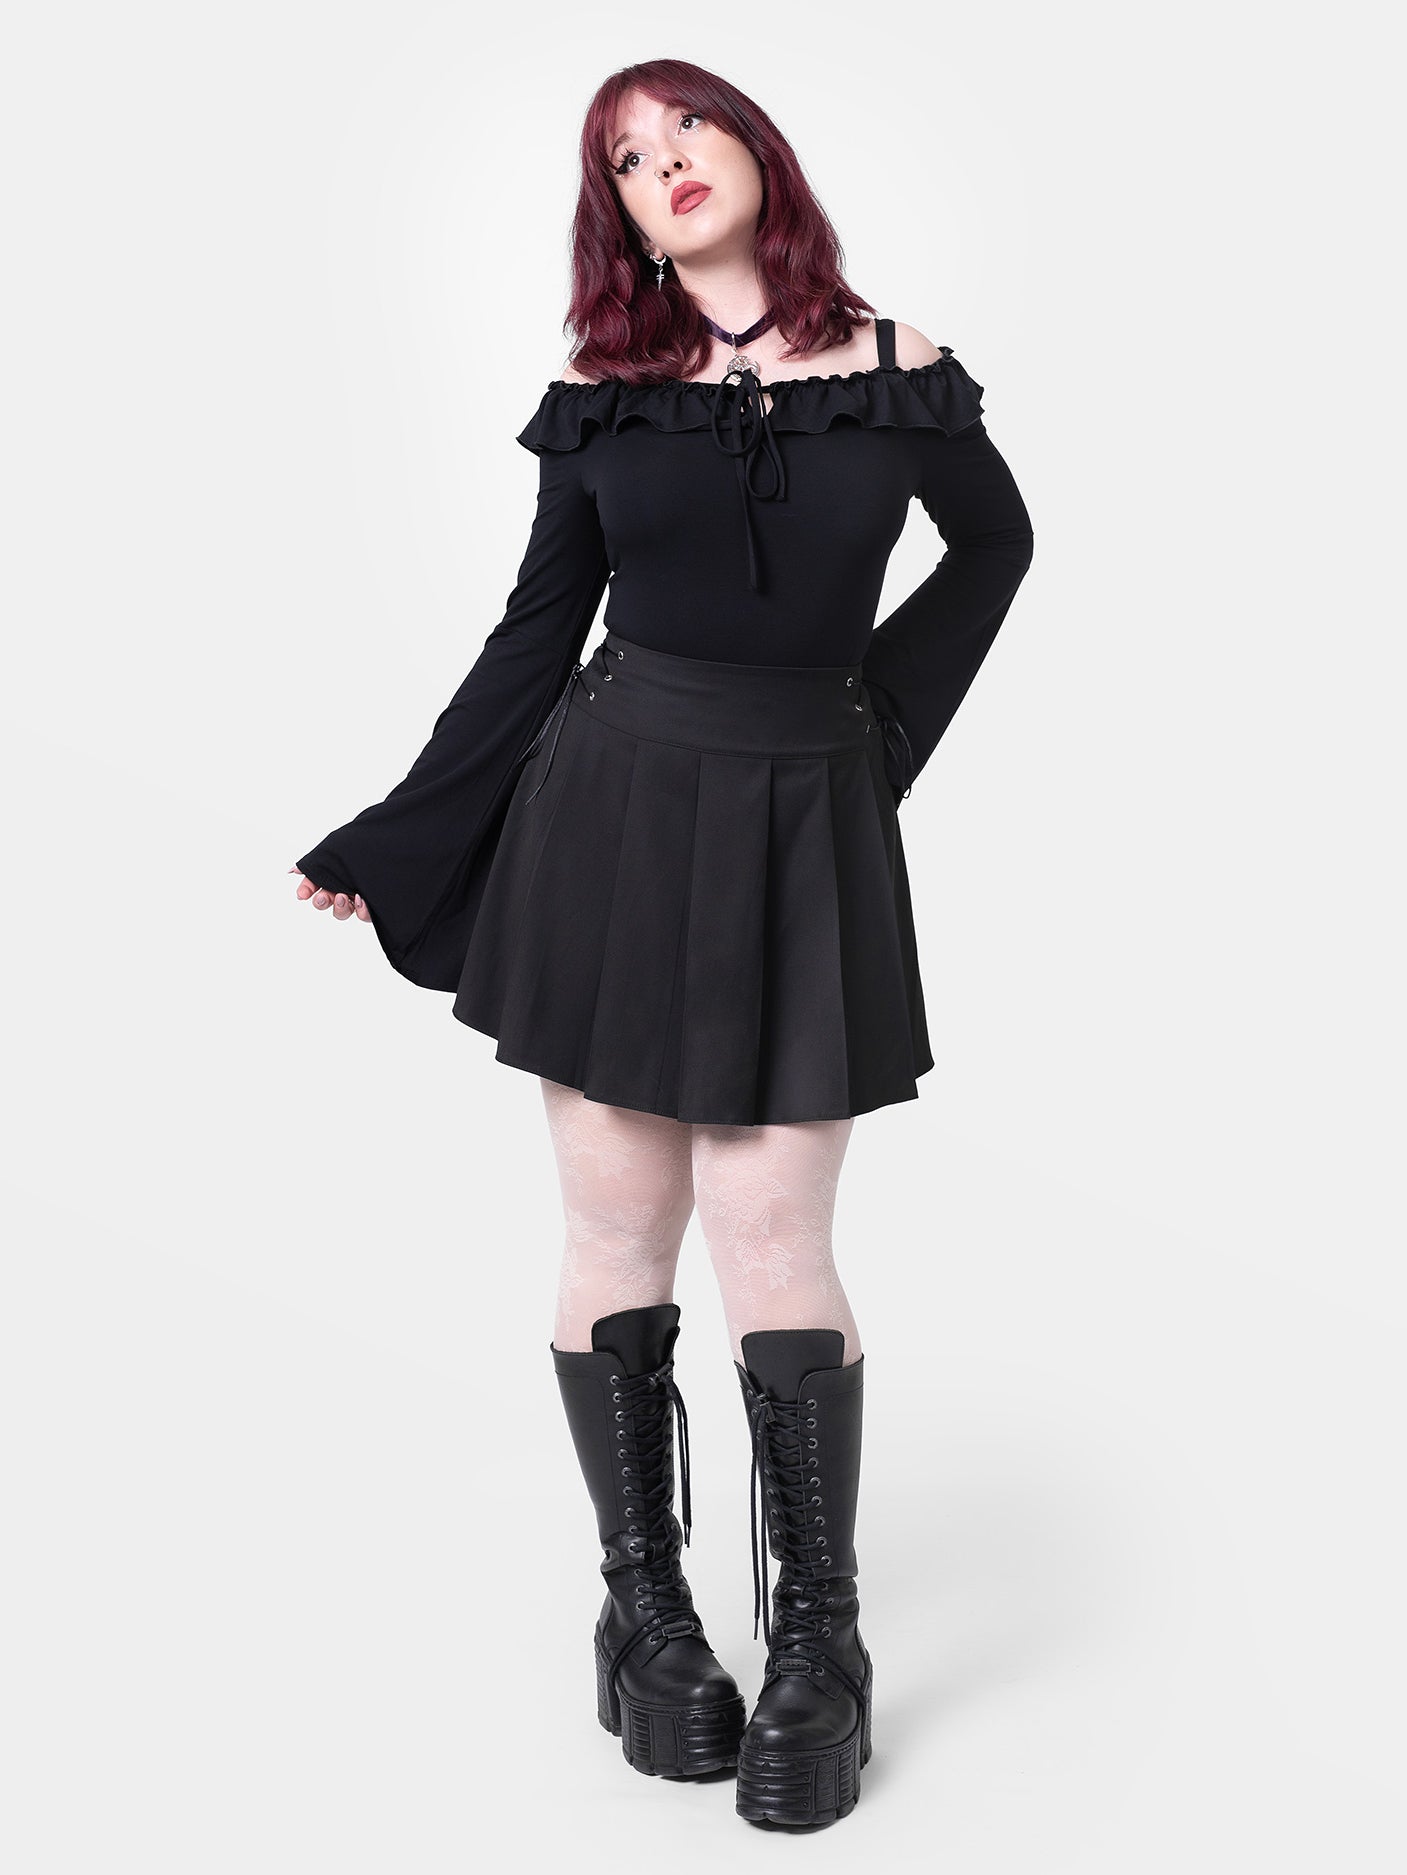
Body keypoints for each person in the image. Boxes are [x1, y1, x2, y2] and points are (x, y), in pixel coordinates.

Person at [292, 57, 1034, 1828]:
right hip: (613, 815)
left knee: (776, 1233)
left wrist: (876, 735)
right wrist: (404, 832)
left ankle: (821, 1645)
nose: (664, 162)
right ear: (618, 219)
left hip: (802, 823)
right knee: (619, 1225)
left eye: (684, 126)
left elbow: (997, 551)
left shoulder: (902, 371)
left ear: (754, 148)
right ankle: (646, 1617)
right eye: (627, 158)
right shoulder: (604, 401)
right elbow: (533, 639)